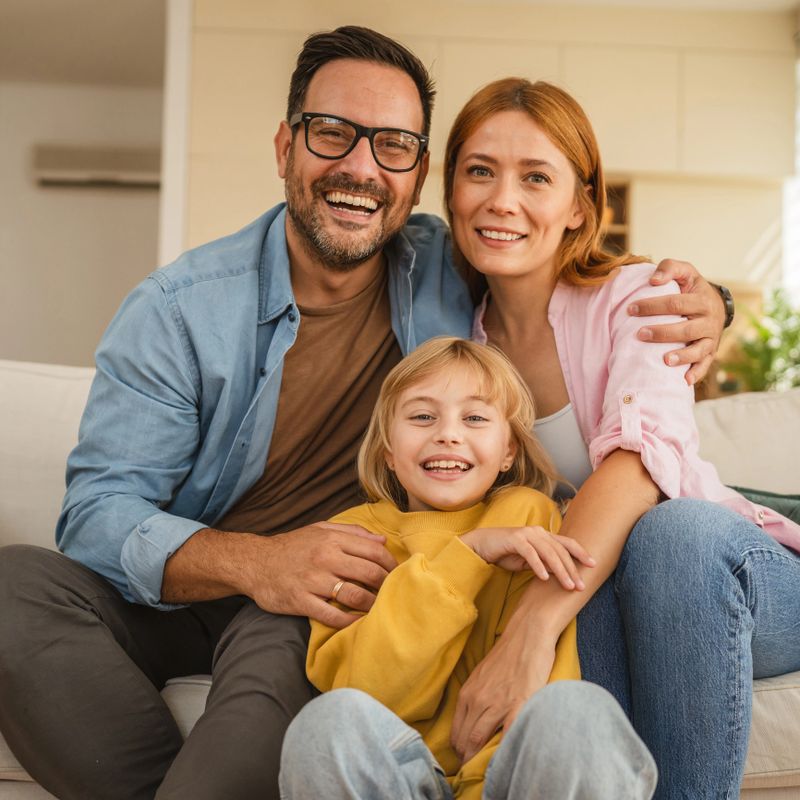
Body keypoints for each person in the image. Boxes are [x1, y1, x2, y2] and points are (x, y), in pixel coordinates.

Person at [0, 26, 726, 800]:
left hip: (329, 595)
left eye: (393, 146)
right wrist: (261, 563)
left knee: (272, 701)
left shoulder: (446, 265)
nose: (360, 168)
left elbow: (555, 265)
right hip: (205, 581)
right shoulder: (177, 311)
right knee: (12, 588)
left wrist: (709, 304)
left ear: (416, 180)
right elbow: (98, 513)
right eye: (333, 134)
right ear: (286, 146)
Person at [439, 77, 800, 798]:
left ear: (580, 205)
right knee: (586, 570)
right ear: (449, 188)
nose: (501, 200)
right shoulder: (457, 346)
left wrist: (528, 633)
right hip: (613, 594)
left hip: (741, 578)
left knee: (667, 534)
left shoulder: (638, 299)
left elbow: (639, 466)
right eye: (480, 170)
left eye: (535, 177)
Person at [279, 336, 658, 800]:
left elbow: (538, 688)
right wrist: (469, 554)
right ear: (387, 452)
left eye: (475, 418)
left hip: (507, 776)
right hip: (397, 772)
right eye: (422, 416)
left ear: (508, 452)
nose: (448, 433)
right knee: (327, 724)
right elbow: (367, 690)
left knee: (578, 711)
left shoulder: (530, 515)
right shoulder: (351, 537)